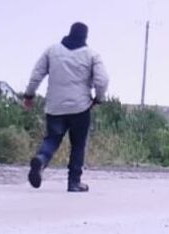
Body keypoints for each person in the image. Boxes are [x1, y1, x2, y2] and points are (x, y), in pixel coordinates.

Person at [24, 22, 110, 193]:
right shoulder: (92, 55)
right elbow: (103, 80)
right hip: (80, 107)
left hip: (55, 106)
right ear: (85, 37)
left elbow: (36, 75)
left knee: (52, 139)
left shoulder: (52, 51)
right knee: (78, 145)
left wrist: (29, 95)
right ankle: (74, 182)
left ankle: (41, 160)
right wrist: (98, 99)